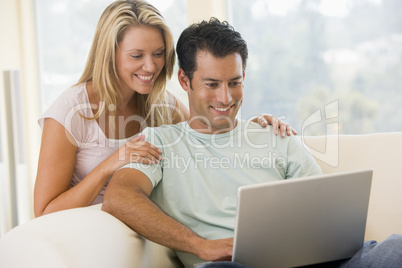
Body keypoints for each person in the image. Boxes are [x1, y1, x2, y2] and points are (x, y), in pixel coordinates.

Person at [101, 18, 402, 268]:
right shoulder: (160, 142)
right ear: (184, 80)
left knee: (396, 249)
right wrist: (200, 246)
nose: (225, 98)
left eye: (234, 82)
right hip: (230, 266)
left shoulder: (276, 135)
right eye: (211, 84)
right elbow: (119, 196)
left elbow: (327, 219)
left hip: (317, 263)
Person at [33, 0, 294, 217]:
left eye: (158, 53)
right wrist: (109, 165)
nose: (151, 67)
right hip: (93, 236)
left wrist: (254, 126)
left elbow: (209, 132)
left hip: (145, 231)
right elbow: (44, 212)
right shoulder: (71, 112)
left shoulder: (163, 105)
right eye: (137, 56)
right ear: (109, 53)